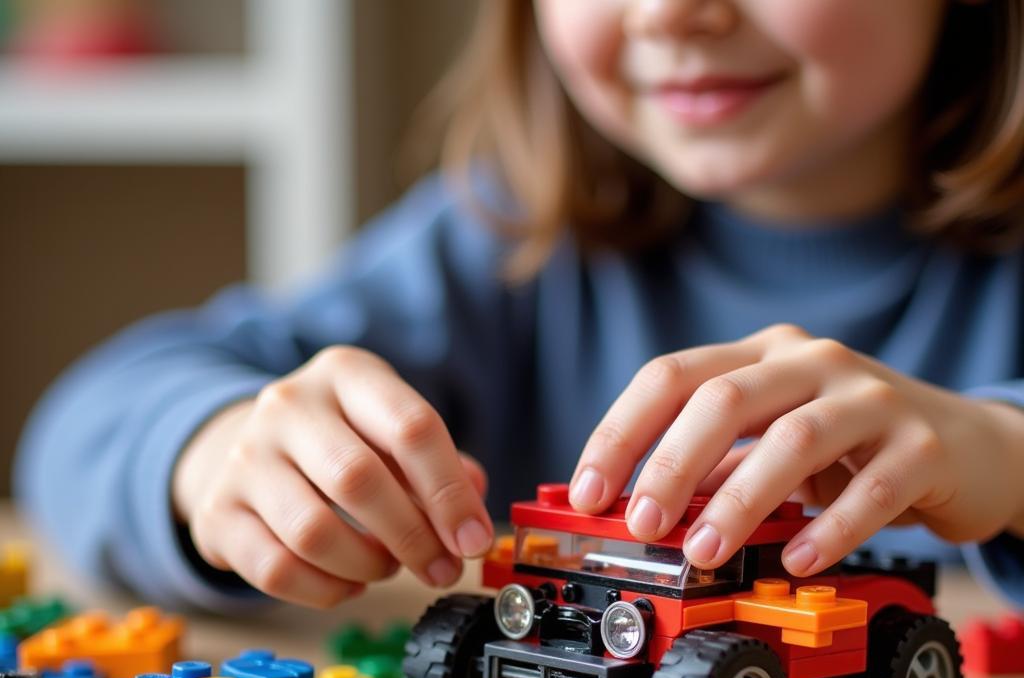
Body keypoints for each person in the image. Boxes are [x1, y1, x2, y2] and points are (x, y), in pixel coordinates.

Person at [15, 0, 1024, 612]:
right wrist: (210, 452)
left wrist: (1003, 452)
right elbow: (84, 421)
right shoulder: (505, 240)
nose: (671, 12)